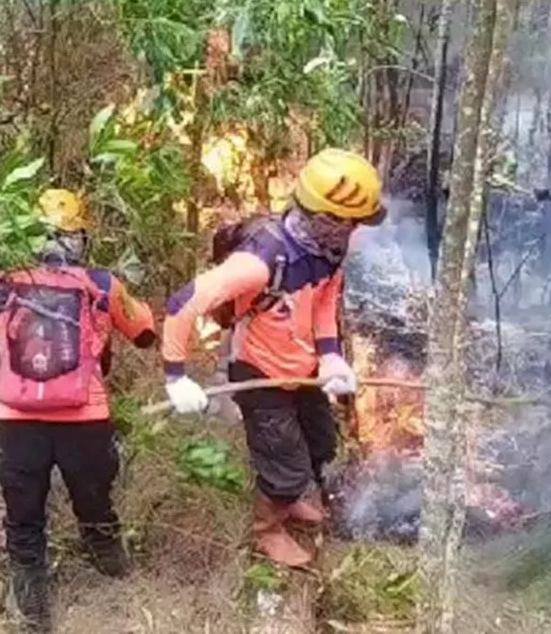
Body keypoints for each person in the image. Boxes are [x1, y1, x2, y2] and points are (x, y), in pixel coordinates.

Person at [158, 148, 386, 568]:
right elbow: (181, 304)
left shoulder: (328, 253)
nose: (355, 232)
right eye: (351, 223)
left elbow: (322, 306)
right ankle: (268, 528)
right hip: (259, 371)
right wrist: (176, 375)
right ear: (327, 218)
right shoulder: (259, 263)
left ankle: (292, 497)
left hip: (302, 369)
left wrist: (331, 358)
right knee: (283, 464)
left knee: (320, 442)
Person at [0, 188, 157, 632]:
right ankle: (110, 562)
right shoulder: (100, 284)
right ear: (81, 237)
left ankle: (32, 606)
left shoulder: (3, 283)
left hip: (18, 419)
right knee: (95, 500)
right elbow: (144, 331)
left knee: (23, 516)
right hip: (85, 418)